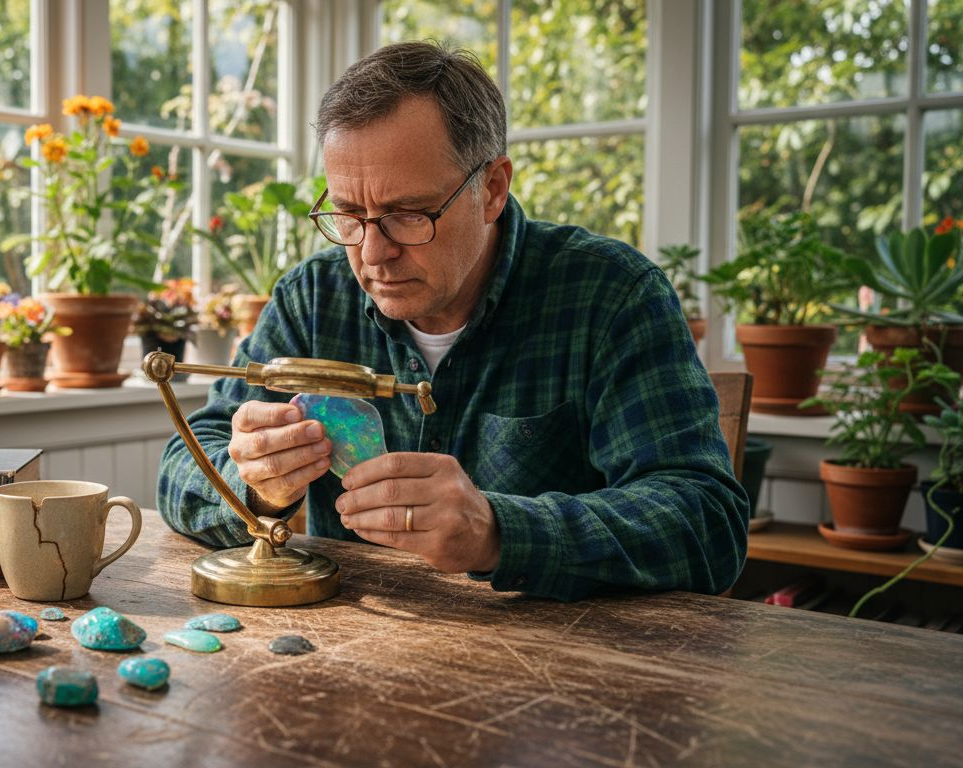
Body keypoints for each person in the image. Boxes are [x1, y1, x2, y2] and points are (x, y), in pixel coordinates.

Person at [157, 41, 747, 601]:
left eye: (407, 215)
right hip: (341, 658)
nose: (371, 252)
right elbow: (183, 464)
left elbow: (707, 520)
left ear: (492, 189)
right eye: (348, 214)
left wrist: (498, 531)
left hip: (555, 675)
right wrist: (258, 489)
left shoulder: (610, 296)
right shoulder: (312, 300)